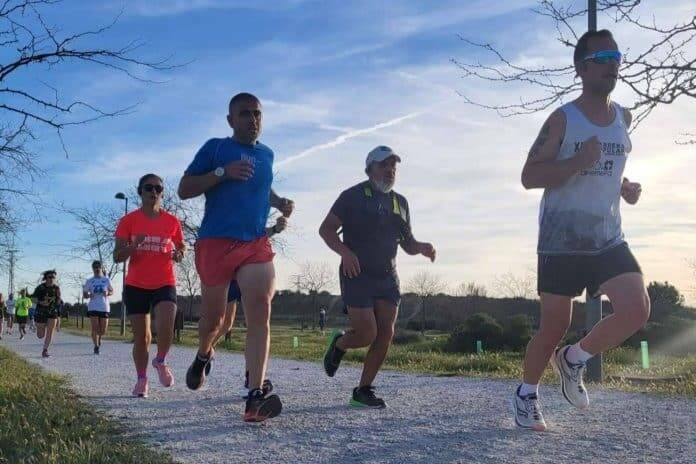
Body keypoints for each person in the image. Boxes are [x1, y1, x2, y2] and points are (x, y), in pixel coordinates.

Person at [512, 29, 650, 432]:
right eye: (602, 58)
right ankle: (526, 393)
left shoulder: (623, 117)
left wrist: (624, 188)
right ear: (580, 69)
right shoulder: (563, 119)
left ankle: (573, 359)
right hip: (562, 239)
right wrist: (576, 162)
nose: (612, 65)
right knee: (554, 326)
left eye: (616, 57)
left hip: (607, 237)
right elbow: (529, 176)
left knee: (637, 309)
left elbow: (608, 170)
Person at [178, 92, 294, 422]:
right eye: (245, 113)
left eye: (257, 113)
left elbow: (262, 187)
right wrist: (221, 173)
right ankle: (203, 354)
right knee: (214, 322)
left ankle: (255, 395)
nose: (252, 119)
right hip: (216, 242)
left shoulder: (267, 154)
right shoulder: (215, 148)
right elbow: (184, 189)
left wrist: (278, 202)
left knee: (260, 309)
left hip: (255, 242)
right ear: (231, 120)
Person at [319, 145, 436, 408]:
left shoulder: (400, 202)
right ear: (369, 169)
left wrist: (421, 247)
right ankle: (340, 343)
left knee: (385, 333)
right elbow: (326, 230)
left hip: (387, 277)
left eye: (393, 166)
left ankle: (363, 391)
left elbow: (407, 243)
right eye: (384, 165)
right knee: (366, 333)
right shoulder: (352, 196)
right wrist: (345, 253)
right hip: (357, 273)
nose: (390, 170)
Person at [114, 173, 186, 398]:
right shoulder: (128, 221)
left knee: (167, 325)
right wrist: (133, 246)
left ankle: (161, 360)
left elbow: (181, 246)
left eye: (158, 188)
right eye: (149, 187)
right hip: (136, 284)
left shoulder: (172, 221)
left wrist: (179, 254)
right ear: (140, 192)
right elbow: (117, 256)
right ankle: (141, 379)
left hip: (164, 281)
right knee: (142, 337)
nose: (154, 191)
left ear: (162, 193)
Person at [83, 260, 114, 354]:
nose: (97, 269)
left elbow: (112, 291)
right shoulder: (89, 281)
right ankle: (96, 346)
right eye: (95, 267)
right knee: (94, 328)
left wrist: (107, 293)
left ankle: (99, 337)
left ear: (101, 268)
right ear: (92, 269)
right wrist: (89, 295)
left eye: (98, 267)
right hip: (93, 306)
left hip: (104, 307)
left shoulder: (106, 280)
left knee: (103, 331)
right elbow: (84, 294)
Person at [33, 271, 62, 357]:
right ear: (46, 278)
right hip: (41, 312)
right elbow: (33, 299)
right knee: (40, 335)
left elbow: (58, 302)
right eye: (50, 277)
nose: (51, 279)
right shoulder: (40, 287)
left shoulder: (56, 288)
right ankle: (39, 327)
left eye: (53, 277)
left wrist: (59, 317)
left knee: (50, 331)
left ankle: (45, 350)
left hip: (53, 312)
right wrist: (41, 302)